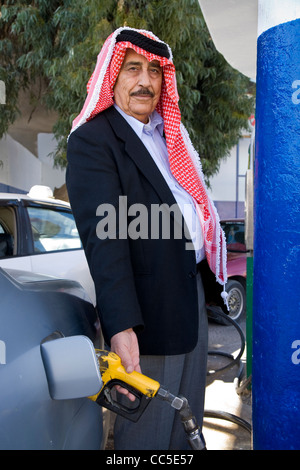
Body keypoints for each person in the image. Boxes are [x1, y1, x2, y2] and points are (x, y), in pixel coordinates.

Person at [66, 27, 227, 450]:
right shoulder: (94, 141)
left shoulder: (166, 137)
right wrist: (120, 326)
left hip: (188, 302)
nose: (145, 81)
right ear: (112, 77)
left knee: (186, 425)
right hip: (144, 318)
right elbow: (106, 242)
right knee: (149, 436)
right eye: (133, 69)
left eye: (155, 71)